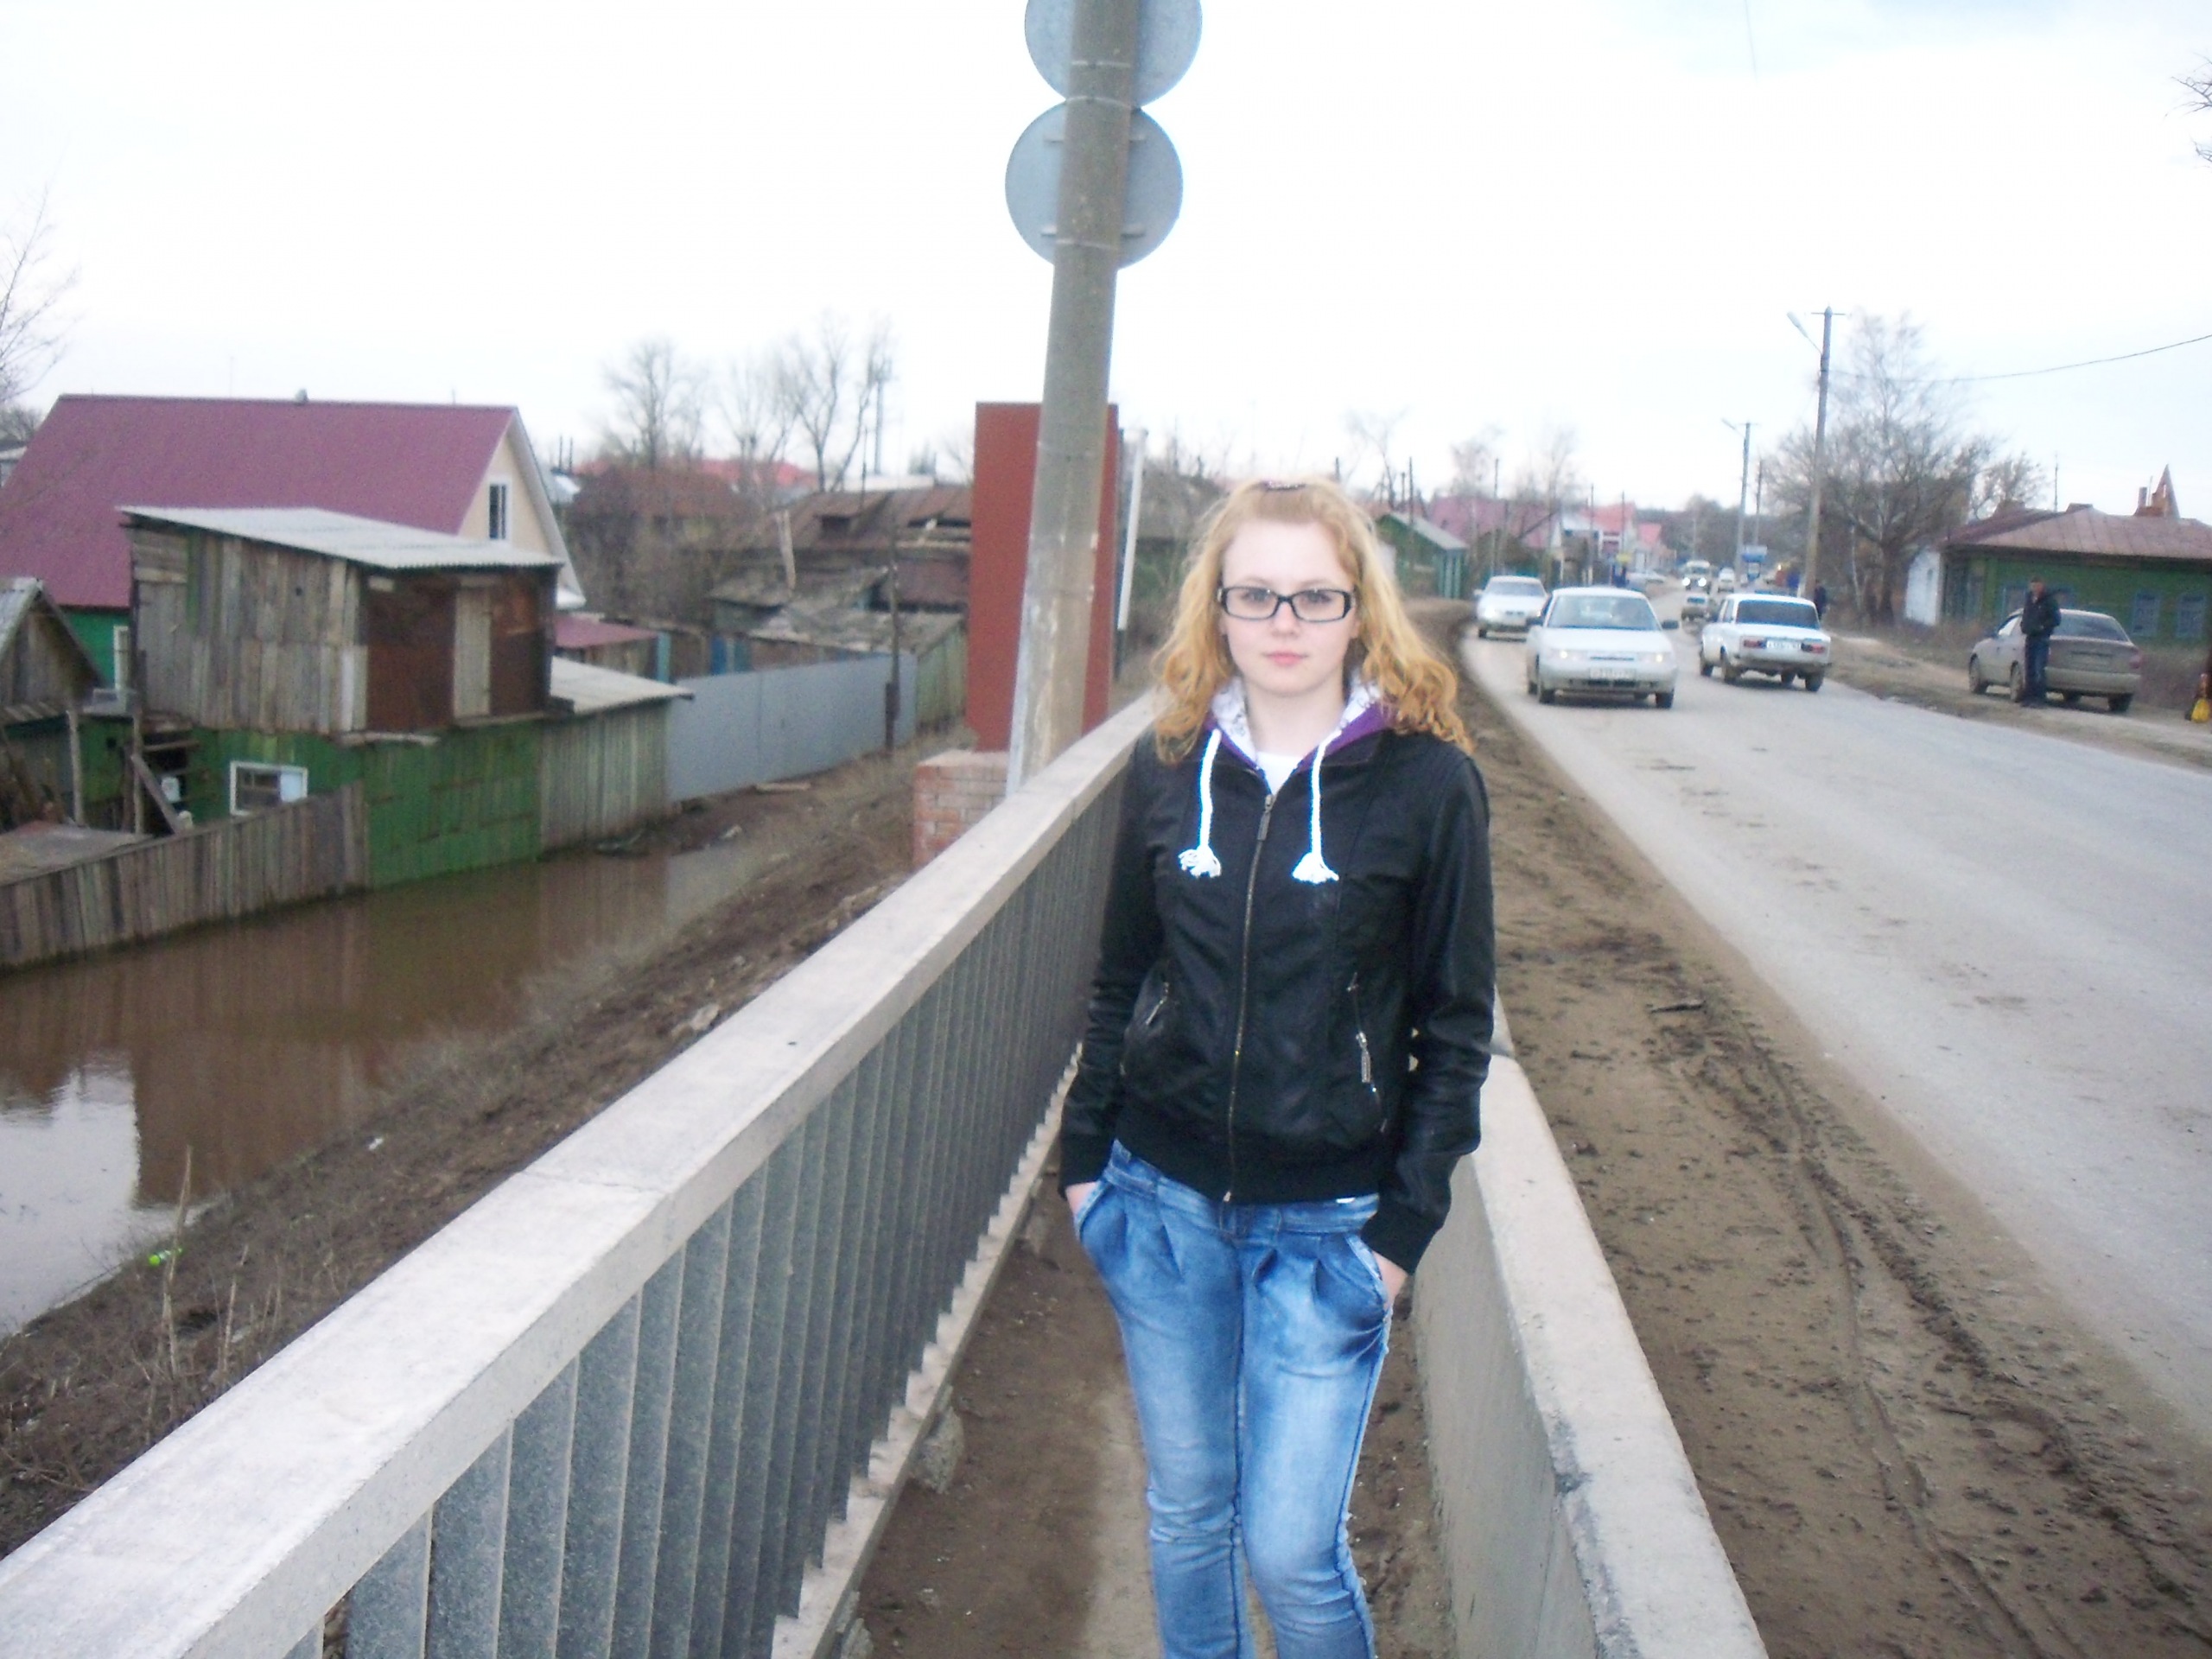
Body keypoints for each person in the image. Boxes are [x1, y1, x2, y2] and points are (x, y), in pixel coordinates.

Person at [1061, 477, 1495, 1658]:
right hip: (1159, 1206)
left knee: (1291, 1553)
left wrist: (1400, 1231)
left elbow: (1458, 1028)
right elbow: (1120, 975)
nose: (1285, 622)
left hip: (1327, 1228)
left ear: (1360, 609)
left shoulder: (1428, 786)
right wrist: (1086, 1167)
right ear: (1217, 606)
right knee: (1187, 1515)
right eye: (1255, 595)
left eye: (1315, 596)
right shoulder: (1168, 764)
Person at [2019, 576, 2061, 703]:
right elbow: (2026, 614)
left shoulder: (2049, 600)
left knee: (2039, 668)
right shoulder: (2029, 599)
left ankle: (2039, 698)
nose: (2034, 588)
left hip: (2042, 638)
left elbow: (2056, 620)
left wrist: (2042, 626)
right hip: (2030, 637)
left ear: (2042, 586)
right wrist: (2024, 625)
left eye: (2037, 585)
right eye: (2032, 586)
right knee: (2029, 668)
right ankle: (2029, 697)